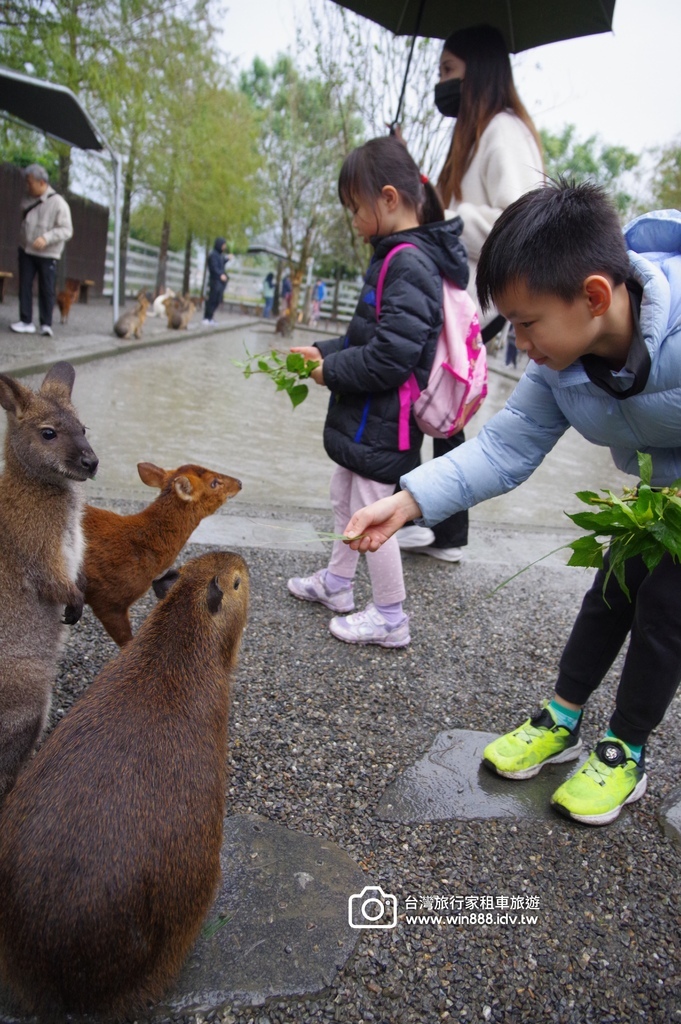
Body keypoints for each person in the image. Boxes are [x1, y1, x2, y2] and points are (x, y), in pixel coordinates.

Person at [343, 179, 681, 826]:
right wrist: (409, 503)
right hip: (653, 497)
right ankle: (562, 717)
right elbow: (501, 451)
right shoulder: (557, 367)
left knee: (666, 609)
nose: (518, 345)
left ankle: (625, 751)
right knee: (611, 588)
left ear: (593, 297)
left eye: (526, 325)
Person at [286, 135, 468, 648]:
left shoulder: (408, 262)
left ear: (389, 198)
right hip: (368, 413)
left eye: (355, 207)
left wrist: (332, 372)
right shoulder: (396, 256)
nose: (353, 218)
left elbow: (392, 356)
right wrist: (324, 351)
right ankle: (338, 584)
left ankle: (391, 615)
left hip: (385, 416)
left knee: (376, 516)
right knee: (344, 495)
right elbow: (369, 336)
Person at [397, 24, 544, 565]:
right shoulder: (479, 134)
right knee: (441, 409)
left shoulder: (504, 131)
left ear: (476, 72)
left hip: (477, 302)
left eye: (447, 73)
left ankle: (429, 519)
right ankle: (436, 523)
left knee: (436, 406)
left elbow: (522, 218)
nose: (441, 85)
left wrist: (451, 217)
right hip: (462, 299)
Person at [11, 163, 73, 337]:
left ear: (41, 182)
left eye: (29, 182)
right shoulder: (27, 197)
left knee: (46, 288)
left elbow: (67, 230)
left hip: (47, 253)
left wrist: (47, 238)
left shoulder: (59, 203)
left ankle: (46, 324)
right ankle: (26, 321)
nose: (27, 185)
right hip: (26, 249)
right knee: (25, 285)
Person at [202, 237, 228, 325]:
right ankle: (206, 317)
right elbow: (214, 267)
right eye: (223, 245)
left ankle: (211, 317)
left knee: (217, 300)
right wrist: (220, 274)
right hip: (214, 281)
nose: (224, 247)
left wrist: (227, 259)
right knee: (212, 299)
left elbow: (221, 263)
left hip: (220, 282)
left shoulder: (220, 255)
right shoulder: (213, 255)